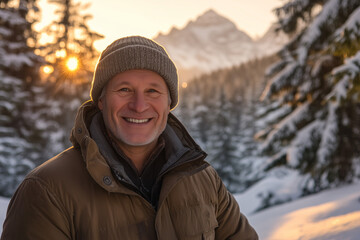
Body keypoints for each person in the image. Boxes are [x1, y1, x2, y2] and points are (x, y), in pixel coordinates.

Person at [1, 36, 258, 240]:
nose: (139, 105)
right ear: (101, 100)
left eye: (153, 91)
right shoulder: (47, 190)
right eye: (124, 89)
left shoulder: (202, 179)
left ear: (169, 103)